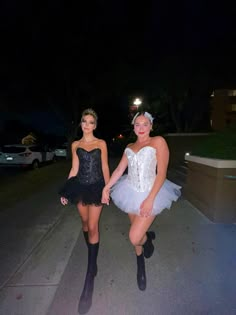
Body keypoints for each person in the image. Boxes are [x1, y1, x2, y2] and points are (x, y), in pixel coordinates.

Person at [102, 111, 181, 291]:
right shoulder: (129, 146)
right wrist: (106, 187)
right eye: (138, 124)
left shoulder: (158, 142)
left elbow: (161, 173)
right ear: (134, 127)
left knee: (135, 236)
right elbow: (119, 170)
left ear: (151, 126)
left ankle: (147, 241)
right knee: (135, 235)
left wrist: (150, 199)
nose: (141, 128)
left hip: (150, 193)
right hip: (129, 191)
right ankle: (140, 264)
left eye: (145, 124)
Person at [59, 108, 110, 314]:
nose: (87, 125)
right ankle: (92, 257)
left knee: (93, 226)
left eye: (90, 122)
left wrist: (106, 189)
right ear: (81, 123)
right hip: (79, 187)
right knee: (84, 225)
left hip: (97, 187)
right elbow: (74, 168)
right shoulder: (75, 145)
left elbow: (105, 167)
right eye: (84, 121)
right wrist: (66, 189)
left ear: (95, 125)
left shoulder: (101, 143)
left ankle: (89, 276)